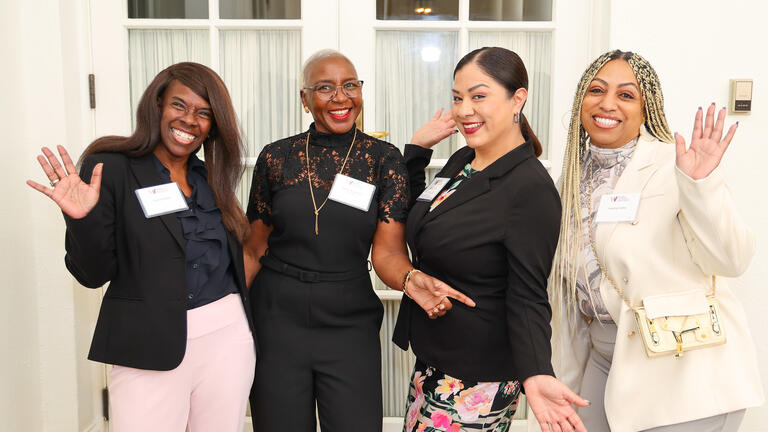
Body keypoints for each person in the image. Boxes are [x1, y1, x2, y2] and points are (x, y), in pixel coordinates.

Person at [243, 49, 473, 431]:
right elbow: (254, 249)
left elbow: (387, 252)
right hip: (276, 317)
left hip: (348, 320)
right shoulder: (276, 158)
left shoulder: (383, 160)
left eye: (350, 85)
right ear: (304, 98)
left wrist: (410, 279)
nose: (341, 97)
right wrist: (229, 318)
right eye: (325, 88)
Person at [26, 62, 256, 431]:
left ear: (214, 125)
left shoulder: (210, 177)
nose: (189, 120)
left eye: (203, 113)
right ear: (157, 104)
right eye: (179, 105)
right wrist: (81, 219)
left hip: (227, 338)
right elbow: (93, 275)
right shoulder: (111, 167)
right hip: (147, 341)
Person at [549, 50, 765, 431]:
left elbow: (732, 259)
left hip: (683, 367)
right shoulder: (569, 180)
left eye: (626, 95)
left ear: (646, 109)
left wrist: (700, 186)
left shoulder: (674, 166)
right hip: (604, 357)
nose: (607, 104)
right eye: (596, 90)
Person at [393, 46, 588, 432]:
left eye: (478, 96)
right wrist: (416, 152)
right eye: (457, 98)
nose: (464, 110)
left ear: (518, 99)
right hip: (436, 360)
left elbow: (529, 295)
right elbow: (425, 219)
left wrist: (536, 372)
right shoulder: (464, 161)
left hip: (478, 376)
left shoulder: (529, 188)